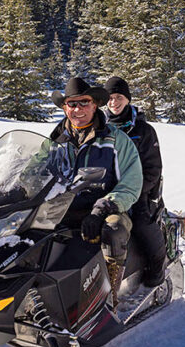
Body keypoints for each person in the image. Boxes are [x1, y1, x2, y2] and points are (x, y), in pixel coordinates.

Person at [50, 77, 143, 309]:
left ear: (95, 105)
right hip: (64, 207)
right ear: (65, 108)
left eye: (84, 102)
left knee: (113, 230)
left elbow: (131, 184)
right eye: (72, 104)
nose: (78, 109)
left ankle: (108, 298)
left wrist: (102, 208)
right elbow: (35, 171)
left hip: (106, 208)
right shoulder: (56, 140)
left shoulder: (116, 140)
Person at [104, 76, 166, 287]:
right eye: (110, 98)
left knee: (140, 222)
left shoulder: (143, 130)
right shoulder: (100, 127)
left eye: (119, 97)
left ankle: (157, 267)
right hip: (105, 190)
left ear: (128, 99)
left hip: (138, 190)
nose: (114, 102)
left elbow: (153, 169)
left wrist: (135, 191)